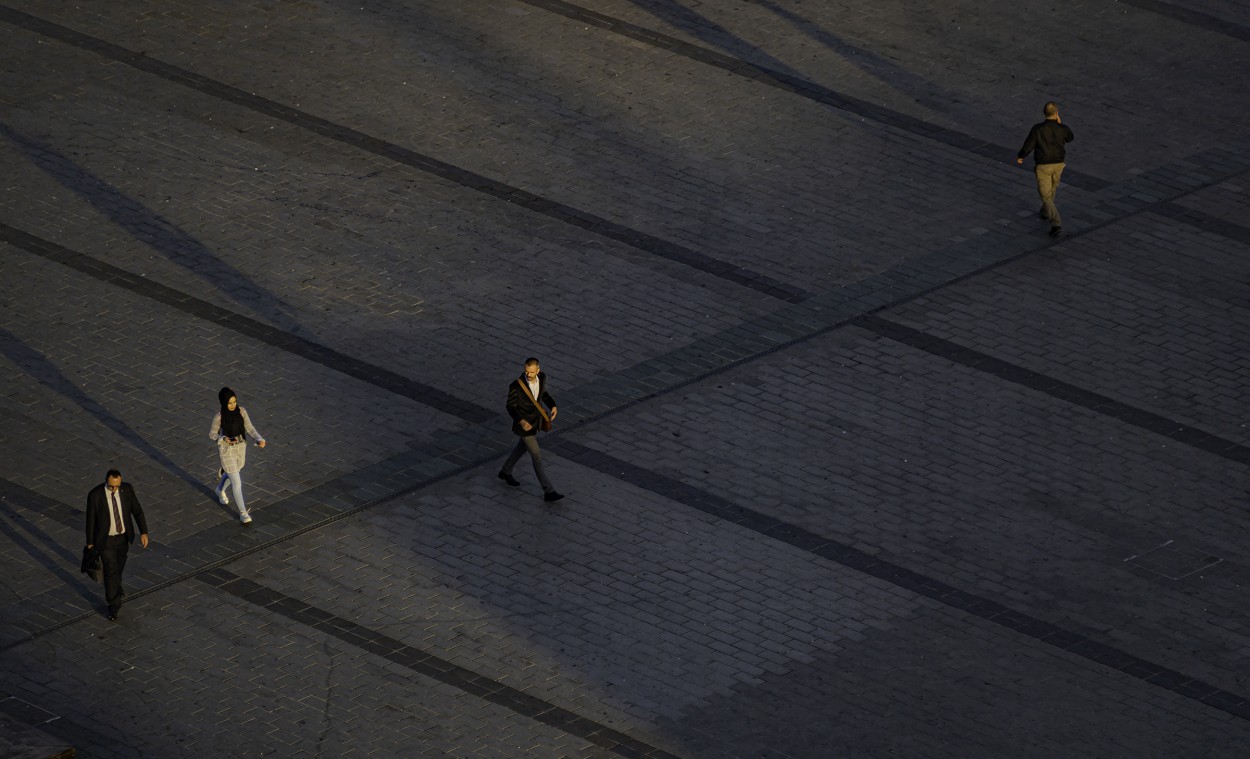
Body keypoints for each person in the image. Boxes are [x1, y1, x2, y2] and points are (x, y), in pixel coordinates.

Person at [85, 469, 149, 621]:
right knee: (111, 571)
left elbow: (137, 511)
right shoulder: (95, 495)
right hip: (105, 541)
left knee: (119, 567)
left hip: (122, 539)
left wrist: (144, 532)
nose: (114, 489)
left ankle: (116, 586)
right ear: (106, 482)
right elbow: (90, 521)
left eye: (117, 486)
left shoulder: (126, 490)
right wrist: (90, 543)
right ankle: (114, 605)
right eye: (111, 486)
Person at [498, 358, 564, 502]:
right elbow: (510, 407)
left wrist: (553, 405)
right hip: (523, 427)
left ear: (538, 371)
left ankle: (505, 471)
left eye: (532, 372)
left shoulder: (542, 377)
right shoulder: (516, 386)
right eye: (526, 371)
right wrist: (521, 421)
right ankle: (549, 491)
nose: (528, 374)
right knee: (536, 456)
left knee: (521, 448)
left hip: (535, 423)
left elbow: (543, 395)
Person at [209, 386, 266, 524]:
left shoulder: (242, 412)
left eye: (234, 401)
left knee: (235, 471)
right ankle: (243, 513)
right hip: (227, 450)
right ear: (223, 403)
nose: (233, 405)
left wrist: (259, 439)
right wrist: (223, 438)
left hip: (241, 447)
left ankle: (220, 489)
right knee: (237, 482)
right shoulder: (219, 417)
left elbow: (250, 428)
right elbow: (212, 434)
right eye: (229, 403)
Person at [1017, 101, 1074, 237]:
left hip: (1043, 165)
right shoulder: (1062, 128)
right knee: (1051, 190)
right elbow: (1070, 137)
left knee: (1045, 195)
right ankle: (1045, 211)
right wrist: (1060, 124)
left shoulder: (1038, 129)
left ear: (1044, 113)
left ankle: (1056, 223)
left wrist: (1021, 156)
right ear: (1057, 112)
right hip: (1059, 164)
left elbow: (1029, 144)